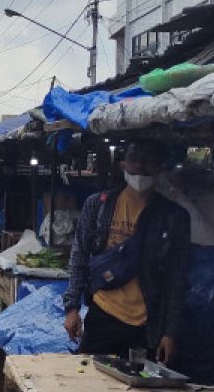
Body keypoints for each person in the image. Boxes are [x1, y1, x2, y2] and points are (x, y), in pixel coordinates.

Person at [62, 140, 191, 365]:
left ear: (159, 167)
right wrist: (72, 308)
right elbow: (79, 256)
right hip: (103, 313)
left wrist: (169, 332)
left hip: (147, 323)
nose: (140, 167)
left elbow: (176, 278)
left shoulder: (174, 217)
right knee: (88, 384)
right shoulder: (98, 206)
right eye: (134, 160)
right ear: (123, 165)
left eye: (147, 161)